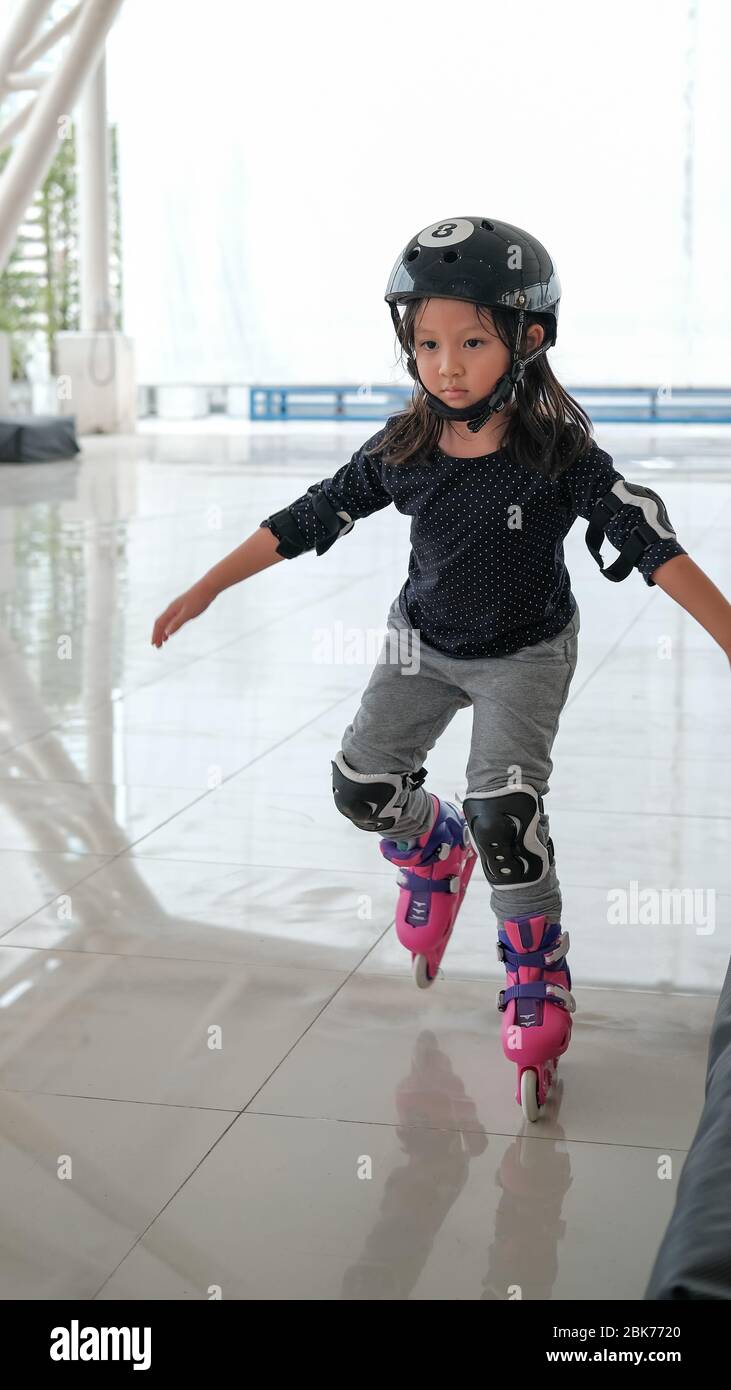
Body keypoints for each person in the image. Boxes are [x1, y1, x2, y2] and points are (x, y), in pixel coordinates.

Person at [151, 215, 731, 1122]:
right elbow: (308, 517)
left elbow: (650, 545)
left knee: (506, 810)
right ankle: (430, 845)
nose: (445, 365)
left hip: (526, 652)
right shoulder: (406, 447)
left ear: (527, 340)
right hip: (420, 644)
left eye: (469, 342)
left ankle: (535, 965)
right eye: (426, 343)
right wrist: (208, 586)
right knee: (359, 789)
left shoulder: (557, 455)